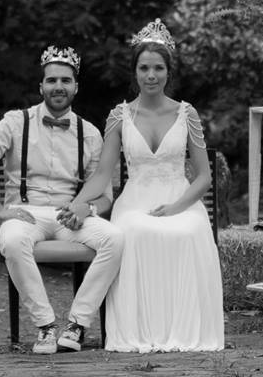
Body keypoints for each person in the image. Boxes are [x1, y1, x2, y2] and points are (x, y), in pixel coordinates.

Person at [69, 19, 224, 352]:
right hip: (135, 200)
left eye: (158, 68)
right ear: (134, 72)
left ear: (168, 72)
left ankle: (182, 330)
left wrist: (176, 207)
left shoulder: (187, 114)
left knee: (187, 231)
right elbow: (102, 175)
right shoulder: (119, 116)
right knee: (133, 231)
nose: (151, 75)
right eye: (144, 68)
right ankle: (139, 330)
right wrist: (76, 204)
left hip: (179, 198)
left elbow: (203, 176)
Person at [0, 46, 124, 354]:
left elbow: (105, 196)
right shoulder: (14, 122)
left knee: (114, 238)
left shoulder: (89, 133)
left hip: (70, 217)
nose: (58, 86)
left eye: (65, 80)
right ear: (41, 86)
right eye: (51, 80)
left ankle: (77, 324)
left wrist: (86, 209)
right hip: (26, 214)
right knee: (11, 241)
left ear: (76, 87)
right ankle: (46, 326)